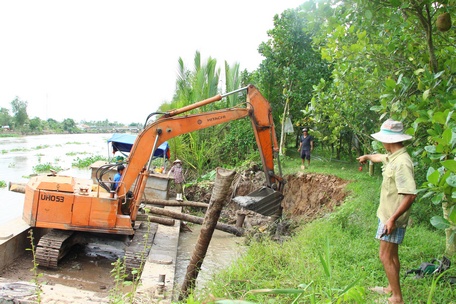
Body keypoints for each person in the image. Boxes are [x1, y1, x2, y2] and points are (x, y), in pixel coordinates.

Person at [357, 119, 416, 304]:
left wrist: (392, 219)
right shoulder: (393, 156)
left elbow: (410, 195)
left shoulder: (402, 163)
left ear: (390, 140)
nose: (382, 142)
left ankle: (396, 298)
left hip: (392, 217)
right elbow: (379, 157)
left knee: (385, 255)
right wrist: (366, 156)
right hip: (388, 215)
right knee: (392, 254)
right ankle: (391, 288)